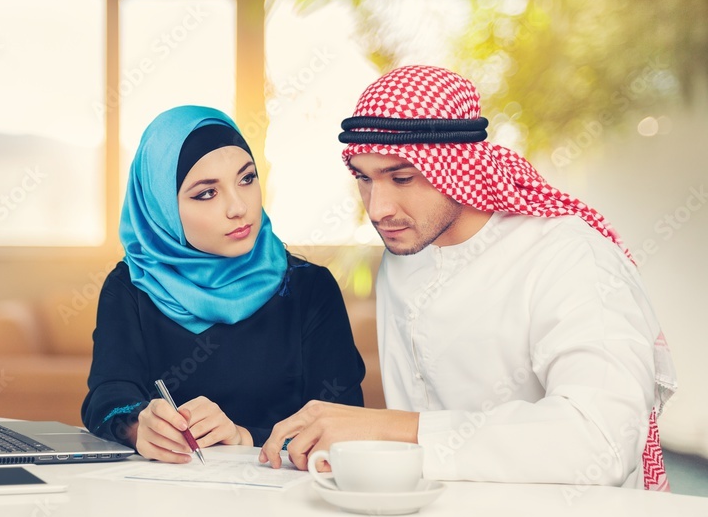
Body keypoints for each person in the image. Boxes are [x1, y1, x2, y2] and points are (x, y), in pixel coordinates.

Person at [259, 65, 677, 490]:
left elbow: (602, 441)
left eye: (402, 177)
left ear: (458, 166)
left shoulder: (568, 258)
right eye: (364, 179)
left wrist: (389, 428)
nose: (379, 208)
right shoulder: (405, 252)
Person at [82, 105, 365, 463]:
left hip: (283, 491)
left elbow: (345, 424)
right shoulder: (132, 285)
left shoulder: (309, 288)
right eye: (207, 193)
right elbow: (106, 397)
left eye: (246, 179)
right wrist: (140, 426)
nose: (238, 207)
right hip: (167, 492)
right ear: (162, 207)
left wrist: (245, 437)